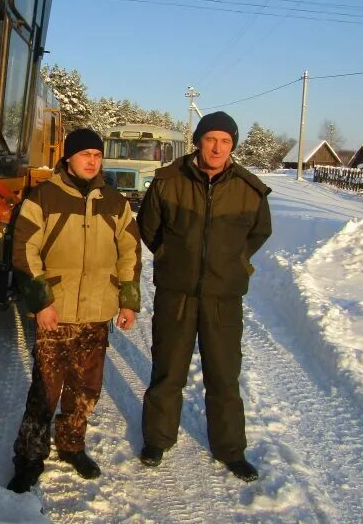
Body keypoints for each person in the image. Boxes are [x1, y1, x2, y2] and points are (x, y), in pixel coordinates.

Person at [136, 111, 272, 482]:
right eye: (211, 139)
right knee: (168, 370)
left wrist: (234, 260)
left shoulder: (249, 189)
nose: (217, 147)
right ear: (198, 141)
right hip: (176, 294)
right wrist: (170, 256)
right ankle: (157, 440)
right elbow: (149, 228)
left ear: (233, 146)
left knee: (224, 375)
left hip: (222, 297)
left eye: (225, 141)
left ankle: (230, 449)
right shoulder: (168, 182)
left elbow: (259, 233)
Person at [7, 128, 142, 493]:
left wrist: (128, 301)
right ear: (68, 158)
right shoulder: (44, 197)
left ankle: (71, 446)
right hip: (56, 312)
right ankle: (29, 459)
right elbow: (24, 250)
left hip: (97, 314)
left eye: (97, 156)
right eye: (84, 155)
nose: (91, 161)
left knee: (85, 390)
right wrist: (42, 302)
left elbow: (130, 252)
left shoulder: (115, 202)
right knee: (44, 392)